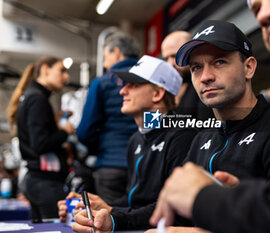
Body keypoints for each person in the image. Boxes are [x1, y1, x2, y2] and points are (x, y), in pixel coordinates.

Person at [150, 0, 270, 232]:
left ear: (249, 68)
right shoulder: (200, 139)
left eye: (219, 62)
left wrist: (216, 203)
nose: (205, 76)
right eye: (196, 68)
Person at [60, 55, 197, 231]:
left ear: (157, 93)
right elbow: (133, 199)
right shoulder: (137, 139)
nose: (122, 91)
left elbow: (171, 208)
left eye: (133, 85)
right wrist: (102, 206)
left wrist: (114, 215)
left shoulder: (182, 138)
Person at [7, 56, 75, 221]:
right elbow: (40, 143)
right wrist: (65, 131)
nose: (66, 77)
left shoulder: (32, 96)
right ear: (45, 69)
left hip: (38, 181)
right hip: (45, 182)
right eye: (62, 71)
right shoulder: (38, 98)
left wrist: (55, 125)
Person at [76, 31, 140, 204]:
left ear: (116, 52)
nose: (104, 64)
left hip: (111, 165)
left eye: (105, 57)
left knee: (111, 221)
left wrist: (101, 149)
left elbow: (85, 131)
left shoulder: (102, 82)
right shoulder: (150, 79)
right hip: (144, 165)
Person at [161, 31, 214, 120]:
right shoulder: (167, 89)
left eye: (175, 56)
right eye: (166, 58)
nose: (170, 64)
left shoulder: (207, 82)